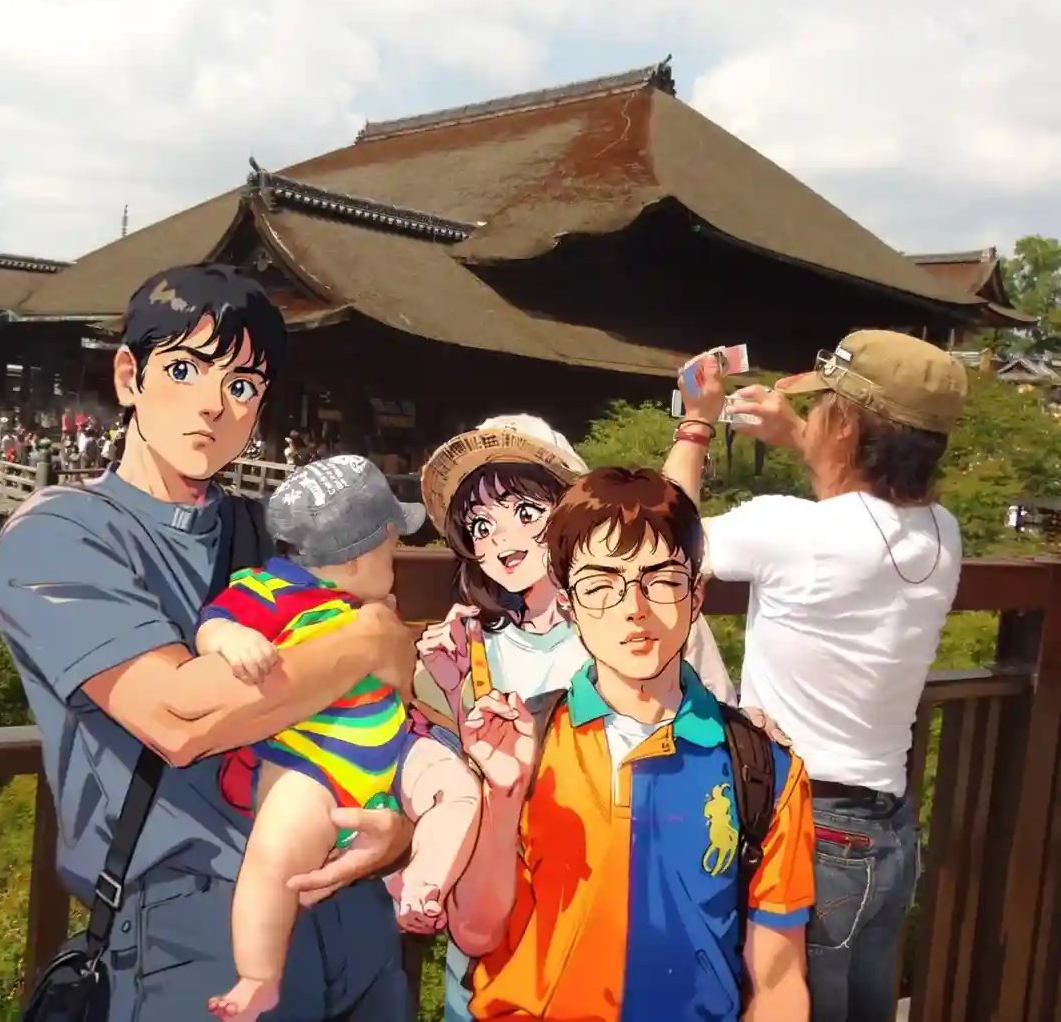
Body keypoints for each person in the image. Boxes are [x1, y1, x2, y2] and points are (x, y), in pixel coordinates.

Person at [0, 263, 419, 1022]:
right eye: (184, 370)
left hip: (348, 896)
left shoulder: (272, 533)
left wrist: (399, 828)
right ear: (129, 376)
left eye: (243, 384)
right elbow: (179, 716)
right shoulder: (61, 534)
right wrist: (365, 639)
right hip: (191, 922)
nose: (214, 404)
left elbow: (391, 699)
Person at [664, 333, 967, 1022]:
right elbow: (864, 504)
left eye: (825, 404)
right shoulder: (942, 533)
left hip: (807, 824)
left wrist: (696, 423)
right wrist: (798, 433)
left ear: (847, 425)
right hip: (887, 832)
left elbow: (662, 537)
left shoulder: (791, 530)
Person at [448, 466, 816, 1022]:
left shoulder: (762, 768)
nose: (633, 608)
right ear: (568, 606)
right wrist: (501, 798)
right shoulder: (521, 742)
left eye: (662, 581)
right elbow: (475, 933)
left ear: (695, 596)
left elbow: (779, 981)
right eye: (599, 586)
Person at [411, 414, 739, 1022]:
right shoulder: (468, 646)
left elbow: (713, 743)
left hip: (619, 914)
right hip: (500, 926)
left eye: (526, 512)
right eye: (480, 525)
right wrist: (454, 695)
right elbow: (456, 777)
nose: (503, 541)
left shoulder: (639, 628)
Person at [195, 455, 481, 1022]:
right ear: (354, 558)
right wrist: (231, 641)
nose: (395, 565)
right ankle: (258, 974)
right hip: (311, 761)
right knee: (275, 858)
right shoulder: (268, 590)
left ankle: (423, 884)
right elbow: (214, 622)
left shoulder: (367, 607)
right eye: (389, 552)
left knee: (457, 789)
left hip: (389, 748)